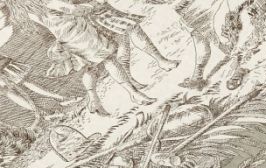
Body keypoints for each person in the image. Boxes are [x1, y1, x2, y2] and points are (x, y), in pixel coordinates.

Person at [0, 0, 157, 115]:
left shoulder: (21, 12)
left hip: (71, 35)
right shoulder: (36, 5)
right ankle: (134, 93)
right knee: (110, 56)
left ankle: (95, 99)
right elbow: (67, 8)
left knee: (94, 65)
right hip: (77, 34)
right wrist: (89, 6)